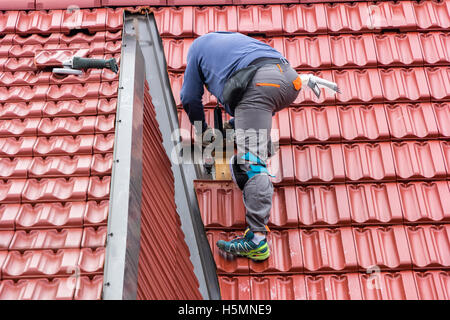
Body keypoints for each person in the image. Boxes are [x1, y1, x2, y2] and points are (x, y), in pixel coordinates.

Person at [180, 32, 339, 262]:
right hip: (288, 78)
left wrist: (204, 133)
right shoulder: (229, 43)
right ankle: (259, 160)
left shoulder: (196, 50)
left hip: (259, 83)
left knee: (250, 163)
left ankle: (257, 240)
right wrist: (232, 127)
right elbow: (255, 101)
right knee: (245, 150)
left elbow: (189, 98)